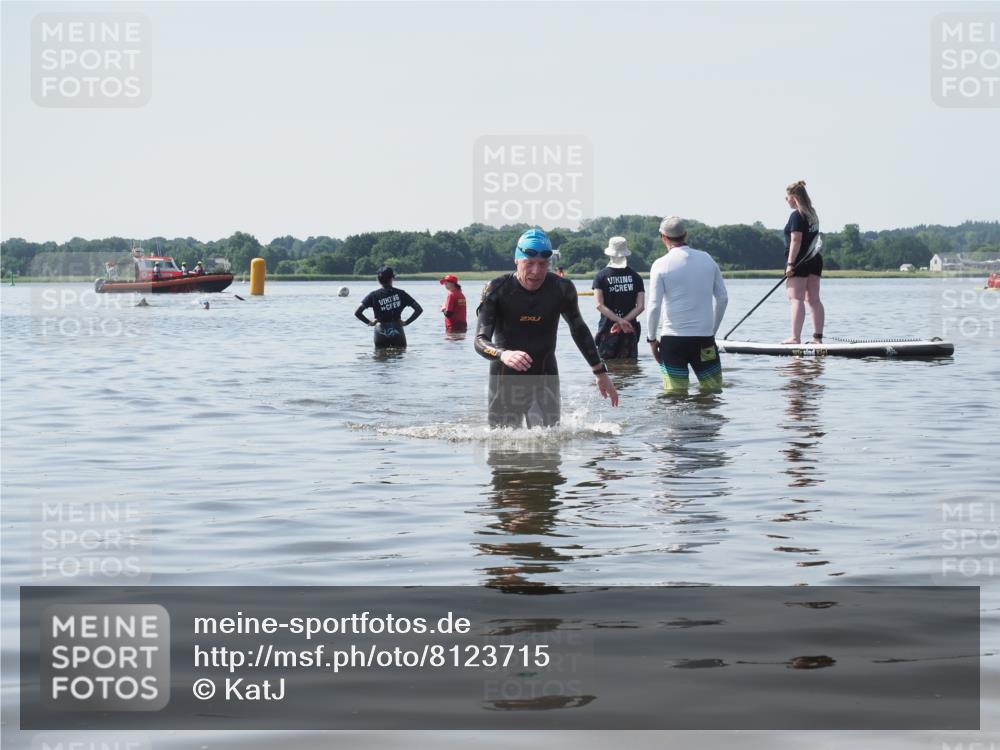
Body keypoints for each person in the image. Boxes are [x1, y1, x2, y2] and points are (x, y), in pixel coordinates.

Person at [475, 228, 618, 427]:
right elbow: (480, 341)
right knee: (502, 448)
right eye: (529, 263)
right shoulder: (497, 289)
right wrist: (503, 354)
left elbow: (579, 329)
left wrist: (600, 373)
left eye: (543, 264)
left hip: (545, 375)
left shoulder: (562, 288)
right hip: (505, 378)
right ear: (517, 260)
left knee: (550, 444)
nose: (536, 271)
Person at [646, 216, 728, 394]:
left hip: (672, 342)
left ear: (663, 237)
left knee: (675, 397)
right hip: (704, 340)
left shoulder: (660, 265)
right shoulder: (707, 259)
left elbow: (653, 306)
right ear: (686, 234)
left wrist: (651, 339)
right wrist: (711, 331)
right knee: (712, 393)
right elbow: (723, 299)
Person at [782, 180, 824, 344]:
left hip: (799, 261)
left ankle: (795, 338)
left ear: (794, 197)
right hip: (815, 260)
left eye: (787, 198)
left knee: (796, 298)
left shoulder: (796, 215)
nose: (786, 201)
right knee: (814, 299)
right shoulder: (812, 213)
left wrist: (790, 264)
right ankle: (817, 339)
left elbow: (796, 240)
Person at [592, 236, 645, 359]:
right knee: (630, 368)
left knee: (606, 367)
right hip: (630, 329)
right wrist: (624, 321)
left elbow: (599, 305)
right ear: (625, 254)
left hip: (607, 329)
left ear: (610, 254)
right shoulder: (636, 276)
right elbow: (641, 306)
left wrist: (619, 321)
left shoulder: (600, 276)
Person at [355, 266, 423, 348]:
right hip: (397, 330)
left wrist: (370, 323)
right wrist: (406, 322)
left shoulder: (373, 295)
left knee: (380, 356)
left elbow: (357, 313)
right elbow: (419, 309)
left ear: (378, 280)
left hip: (380, 332)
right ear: (392, 278)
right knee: (399, 357)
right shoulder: (401, 294)